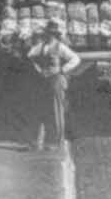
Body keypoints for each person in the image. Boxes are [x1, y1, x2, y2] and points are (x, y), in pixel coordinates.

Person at [27, 19, 81, 150]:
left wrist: (63, 69)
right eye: (47, 33)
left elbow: (75, 59)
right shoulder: (41, 46)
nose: (48, 35)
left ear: (55, 35)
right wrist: (36, 66)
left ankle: (57, 142)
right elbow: (30, 55)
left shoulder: (60, 47)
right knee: (41, 109)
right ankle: (39, 142)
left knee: (56, 111)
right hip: (43, 80)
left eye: (51, 33)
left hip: (56, 79)